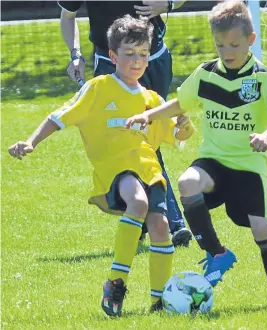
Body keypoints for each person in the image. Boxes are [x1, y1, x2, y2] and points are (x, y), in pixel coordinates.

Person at [8, 15, 194, 316]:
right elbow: (59, 116)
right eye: (129, 54)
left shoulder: (152, 99)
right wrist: (31, 142)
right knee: (137, 202)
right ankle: (116, 284)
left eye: (143, 54)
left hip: (149, 169)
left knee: (161, 228)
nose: (137, 61)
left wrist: (184, 126)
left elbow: (175, 134)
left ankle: (159, 302)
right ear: (113, 56)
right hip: (115, 167)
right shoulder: (99, 88)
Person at [126, 1, 267, 307]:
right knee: (187, 181)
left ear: (250, 41)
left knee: (262, 228)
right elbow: (181, 102)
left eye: (234, 44)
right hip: (214, 162)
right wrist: (150, 115)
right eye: (220, 45)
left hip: (248, 166)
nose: (227, 51)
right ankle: (217, 253)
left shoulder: (261, 78)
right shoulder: (206, 74)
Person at [58, 0, 192, 247]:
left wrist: (169, 4)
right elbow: (68, 16)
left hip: (155, 58)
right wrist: (75, 55)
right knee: (132, 136)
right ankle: (171, 222)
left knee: (146, 135)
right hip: (110, 62)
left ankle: (143, 217)